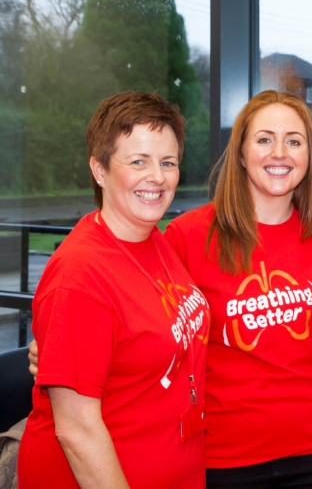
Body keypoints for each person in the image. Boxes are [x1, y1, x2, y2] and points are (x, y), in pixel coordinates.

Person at [18, 92, 210, 488]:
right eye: (138, 161)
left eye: (167, 162)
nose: (157, 176)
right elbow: (77, 432)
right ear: (100, 170)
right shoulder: (80, 275)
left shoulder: (155, 240)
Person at [163, 90, 312, 488]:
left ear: (310, 157)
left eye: (294, 141)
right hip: (226, 454)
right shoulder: (189, 236)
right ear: (242, 152)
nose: (279, 153)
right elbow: (145, 321)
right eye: (265, 139)